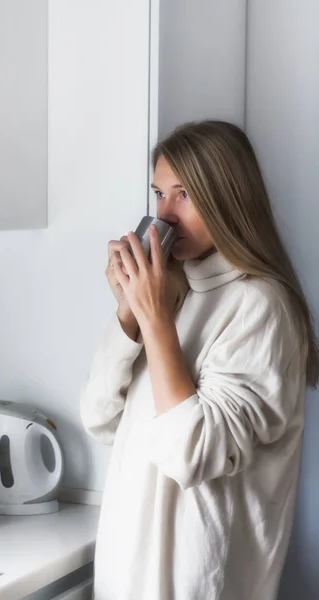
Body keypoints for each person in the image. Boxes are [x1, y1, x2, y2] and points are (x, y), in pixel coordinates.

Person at [80, 120, 318, 600]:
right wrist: (130, 313)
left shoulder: (260, 305)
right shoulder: (176, 290)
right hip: (126, 577)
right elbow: (100, 418)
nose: (164, 216)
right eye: (158, 194)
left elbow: (192, 454)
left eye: (184, 194)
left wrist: (156, 320)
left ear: (227, 197)